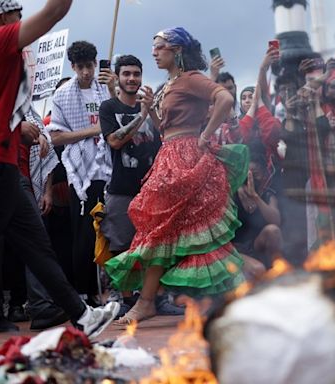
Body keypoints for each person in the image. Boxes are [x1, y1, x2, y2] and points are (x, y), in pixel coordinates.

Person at [0, 0, 119, 336]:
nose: (22, 21)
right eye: (18, 15)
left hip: (3, 166)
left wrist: (16, 128)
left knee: (37, 244)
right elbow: (55, 10)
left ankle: (82, 315)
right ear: (3, 18)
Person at [105, 27, 248, 324]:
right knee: (169, 232)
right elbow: (163, 130)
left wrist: (206, 135)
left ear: (177, 50)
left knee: (173, 232)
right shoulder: (169, 84)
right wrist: (149, 110)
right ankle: (246, 286)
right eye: (154, 47)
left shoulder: (191, 78)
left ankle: (147, 302)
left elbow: (225, 100)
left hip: (186, 157)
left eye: (160, 47)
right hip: (169, 156)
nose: (154, 52)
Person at [99, 54, 177, 316]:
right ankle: (126, 299)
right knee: (121, 245)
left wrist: (151, 111)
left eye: (136, 74)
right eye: (127, 74)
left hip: (151, 190)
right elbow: (115, 141)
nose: (132, 79)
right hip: (120, 189)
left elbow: (166, 139)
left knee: (156, 245)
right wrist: (141, 115)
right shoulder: (108, 108)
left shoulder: (150, 107)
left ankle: (160, 297)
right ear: (118, 78)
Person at [48, 40, 115, 306]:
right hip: (80, 171)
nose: (86, 72)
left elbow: (121, 121)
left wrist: (112, 89)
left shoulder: (106, 90)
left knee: (108, 230)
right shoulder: (62, 94)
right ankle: (82, 292)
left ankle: (107, 290)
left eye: (90, 66)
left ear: (96, 64)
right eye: (81, 67)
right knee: (83, 233)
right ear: (72, 67)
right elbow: (56, 137)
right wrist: (92, 131)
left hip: (107, 168)